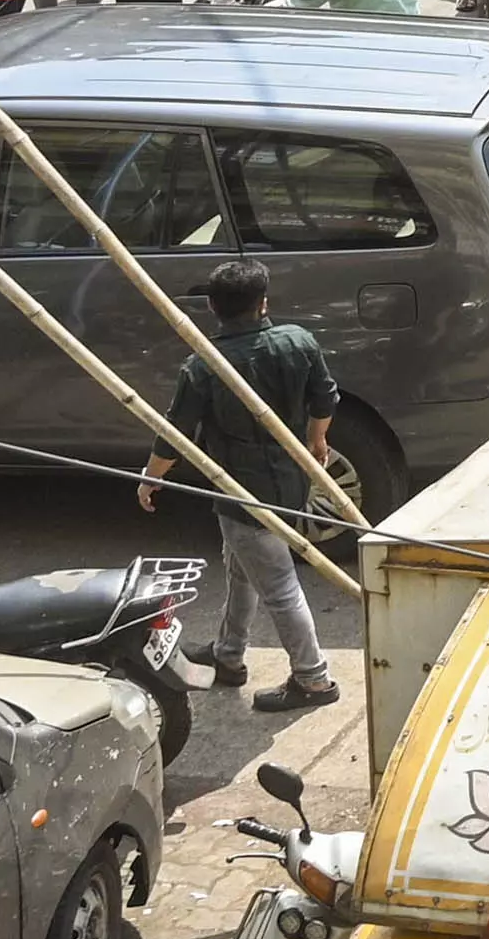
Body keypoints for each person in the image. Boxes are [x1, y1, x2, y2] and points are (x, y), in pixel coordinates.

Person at [132, 259, 342, 714]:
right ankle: (229, 655)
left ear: (212, 306)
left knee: (279, 585)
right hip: (289, 478)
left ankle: (314, 678)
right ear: (263, 302)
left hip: (242, 488)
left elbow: (176, 434)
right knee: (240, 566)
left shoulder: (204, 366)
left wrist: (152, 478)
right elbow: (326, 396)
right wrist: (317, 438)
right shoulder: (297, 342)